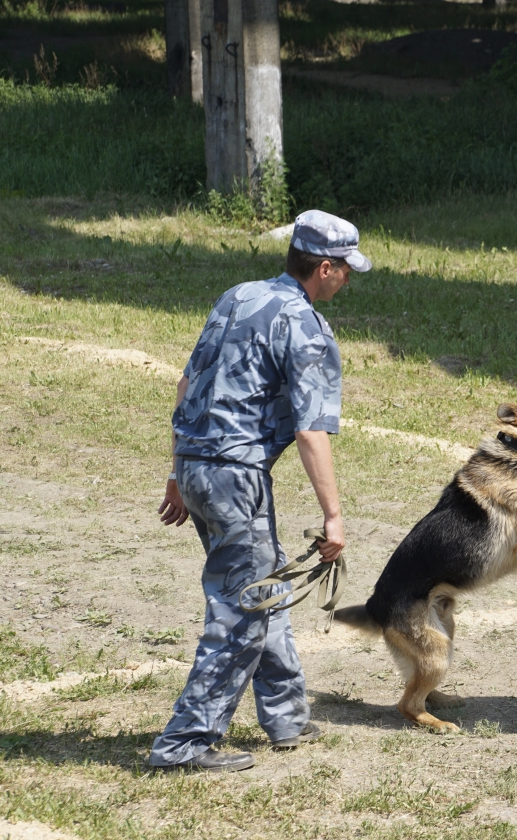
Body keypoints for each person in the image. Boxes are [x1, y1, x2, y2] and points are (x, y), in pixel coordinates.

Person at [147, 210, 371, 772]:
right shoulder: (308, 327)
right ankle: (184, 745)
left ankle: (287, 717)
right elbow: (310, 429)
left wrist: (179, 472)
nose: (348, 278)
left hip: (199, 465)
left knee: (261, 586)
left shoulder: (239, 296)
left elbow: (187, 382)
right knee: (242, 611)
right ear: (325, 267)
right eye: (346, 268)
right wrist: (334, 517)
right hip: (236, 475)